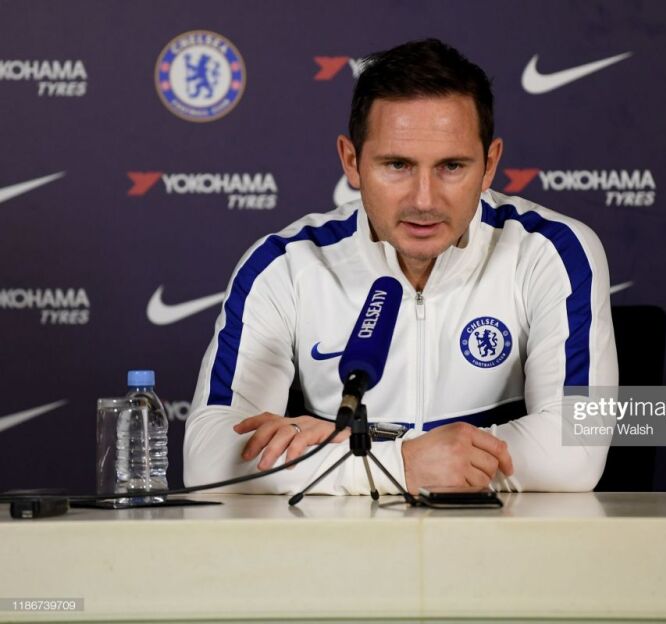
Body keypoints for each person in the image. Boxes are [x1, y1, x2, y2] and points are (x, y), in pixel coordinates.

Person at [183, 39, 617, 495]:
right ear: (352, 162)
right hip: (344, 543)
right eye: (397, 165)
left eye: (452, 166)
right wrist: (403, 465)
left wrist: (351, 454)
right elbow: (208, 461)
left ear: (489, 165)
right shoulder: (285, 266)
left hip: (500, 540)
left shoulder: (553, 251)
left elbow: (578, 450)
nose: (424, 200)